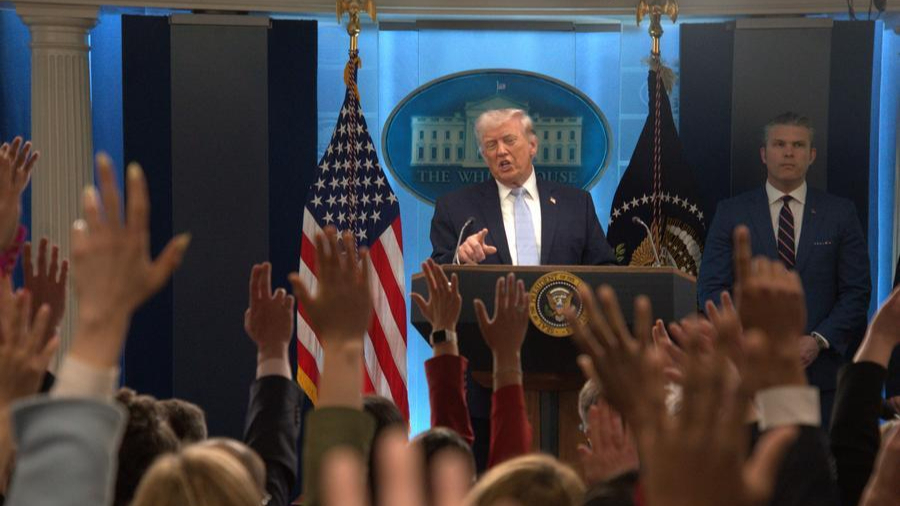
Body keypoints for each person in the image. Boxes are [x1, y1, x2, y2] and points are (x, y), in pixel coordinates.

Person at [697, 112, 871, 425]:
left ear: (811, 155)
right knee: (758, 457)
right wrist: (749, 340)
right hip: (749, 374)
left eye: (798, 145)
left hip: (820, 376)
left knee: (813, 457)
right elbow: (711, 289)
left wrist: (817, 340)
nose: (789, 152)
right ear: (764, 154)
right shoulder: (731, 213)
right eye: (779, 144)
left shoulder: (840, 214)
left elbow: (856, 292)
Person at [430, 108, 616, 266]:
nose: (501, 151)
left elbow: (605, 268)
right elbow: (435, 274)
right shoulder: (454, 208)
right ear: (485, 156)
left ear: (532, 146)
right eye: (491, 145)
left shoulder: (576, 204)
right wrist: (460, 258)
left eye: (509, 140)